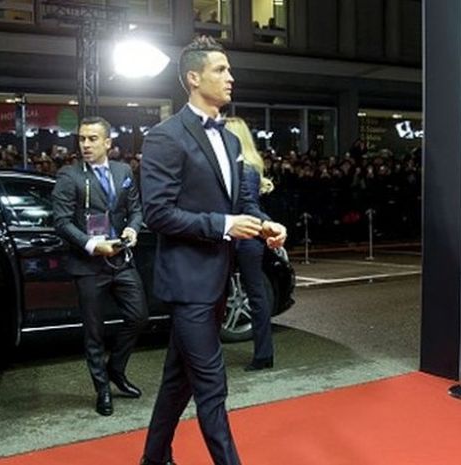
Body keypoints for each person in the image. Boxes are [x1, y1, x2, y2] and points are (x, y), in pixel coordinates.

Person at [139, 35, 287, 465]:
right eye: (221, 70)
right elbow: (158, 214)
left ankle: (152, 459)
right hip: (188, 283)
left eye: (229, 69)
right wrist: (223, 226)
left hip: (218, 280)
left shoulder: (232, 140)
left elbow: (243, 205)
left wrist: (265, 227)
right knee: (210, 385)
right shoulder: (165, 137)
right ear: (193, 77)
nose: (230, 77)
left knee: (176, 382)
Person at [52, 116, 148, 416]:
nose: (85, 144)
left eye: (93, 139)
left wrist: (134, 228)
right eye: (82, 138)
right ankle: (102, 388)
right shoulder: (70, 176)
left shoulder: (123, 171)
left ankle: (115, 370)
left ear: (108, 142)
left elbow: (135, 208)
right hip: (88, 265)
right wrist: (92, 245)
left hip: (121, 259)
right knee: (93, 332)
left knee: (139, 317)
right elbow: (62, 222)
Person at [225, 117, 276, 371]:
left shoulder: (244, 169)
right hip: (244, 238)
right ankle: (264, 353)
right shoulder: (247, 167)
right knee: (254, 295)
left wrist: (268, 225)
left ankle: (264, 354)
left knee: (254, 296)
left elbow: (249, 207)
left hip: (243, 239)